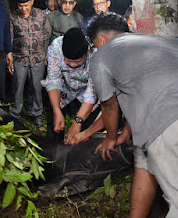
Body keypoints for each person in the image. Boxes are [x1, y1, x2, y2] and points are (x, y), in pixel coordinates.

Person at [86, 12, 178, 218]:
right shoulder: (155, 41)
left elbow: (110, 106)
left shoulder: (102, 55)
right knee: (143, 158)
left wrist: (110, 138)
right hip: (163, 117)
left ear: (100, 39)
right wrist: (126, 134)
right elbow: (139, 96)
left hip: (169, 122)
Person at [42, 27, 99, 142]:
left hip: (86, 95)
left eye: (77, 62)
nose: (72, 65)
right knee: (54, 128)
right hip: (64, 91)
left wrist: (78, 121)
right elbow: (53, 80)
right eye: (68, 61)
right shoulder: (56, 47)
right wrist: (56, 110)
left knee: (83, 135)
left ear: (87, 52)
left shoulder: (96, 54)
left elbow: (92, 92)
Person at [9, 0, 51, 130]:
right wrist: (9, 57)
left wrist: (43, 53)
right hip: (19, 59)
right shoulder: (13, 17)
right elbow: (10, 37)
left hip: (38, 59)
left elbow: (47, 34)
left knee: (36, 88)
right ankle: (15, 116)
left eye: (26, 5)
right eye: (20, 6)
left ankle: (37, 117)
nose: (23, 8)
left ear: (32, 2)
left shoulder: (41, 15)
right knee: (17, 88)